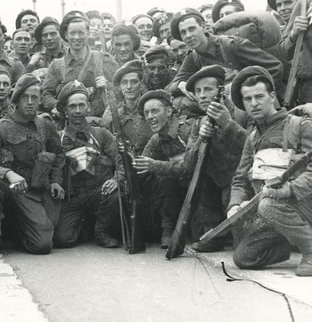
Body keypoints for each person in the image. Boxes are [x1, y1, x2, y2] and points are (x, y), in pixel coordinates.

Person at [227, 66, 312, 276]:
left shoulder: (300, 125)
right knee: (244, 258)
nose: (254, 103)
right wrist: (235, 204)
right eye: (248, 99)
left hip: (304, 202)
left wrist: (291, 189)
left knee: (268, 206)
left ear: (272, 96)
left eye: (259, 96)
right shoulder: (253, 136)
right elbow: (240, 177)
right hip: (274, 209)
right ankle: (291, 241)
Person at [0, 74, 65, 257]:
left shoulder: (45, 125)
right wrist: (7, 173)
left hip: (32, 191)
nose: (30, 102)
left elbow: (58, 153)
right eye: (25, 97)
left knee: (42, 246)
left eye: (34, 97)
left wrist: (56, 180)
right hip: (7, 187)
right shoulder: (1, 127)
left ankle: (15, 232)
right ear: (16, 99)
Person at [180, 66, 247, 252]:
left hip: (241, 183)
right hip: (214, 188)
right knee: (199, 180)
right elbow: (187, 165)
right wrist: (201, 139)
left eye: (208, 89)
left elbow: (256, 148)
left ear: (221, 91)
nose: (202, 95)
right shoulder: (199, 122)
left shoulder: (242, 112)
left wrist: (228, 124)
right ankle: (214, 232)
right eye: (198, 91)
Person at [54, 80, 121, 248]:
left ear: (88, 107)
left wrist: (116, 179)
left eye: (81, 105)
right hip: (72, 197)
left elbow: (122, 160)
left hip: (98, 193)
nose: (77, 111)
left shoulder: (101, 134)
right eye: (72, 106)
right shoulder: (57, 138)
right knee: (63, 239)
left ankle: (101, 231)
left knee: (115, 195)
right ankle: (86, 227)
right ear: (65, 110)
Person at [168, 8, 283, 100]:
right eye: (183, 32)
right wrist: (179, 84)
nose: (188, 35)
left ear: (203, 27)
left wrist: (257, 95)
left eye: (192, 29)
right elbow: (169, 88)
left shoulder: (232, 45)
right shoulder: (193, 57)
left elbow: (275, 67)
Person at [132, 90, 191, 247]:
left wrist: (155, 165)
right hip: (173, 196)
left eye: (155, 111)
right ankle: (167, 229)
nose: (150, 117)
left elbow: (189, 168)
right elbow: (141, 168)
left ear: (169, 111)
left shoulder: (187, 130)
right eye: (147, 113)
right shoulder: (156, 139)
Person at [41, 11, 118, 119]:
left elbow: (120, 91)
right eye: (72, 33)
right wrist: (57, 107)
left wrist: (107, 85)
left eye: (81, 33)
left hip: (99, 123)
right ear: (66, 35)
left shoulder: (104, 60)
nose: (77, 37)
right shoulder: (57, 66)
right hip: (68, 123)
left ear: (88, 34)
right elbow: (46, 94)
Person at [102, 60, 152, 156]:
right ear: (120, 87)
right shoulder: (112, 114)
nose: (129, 87)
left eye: (134, 82)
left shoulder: (150, 110)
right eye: (125, 82)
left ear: (141, 85)